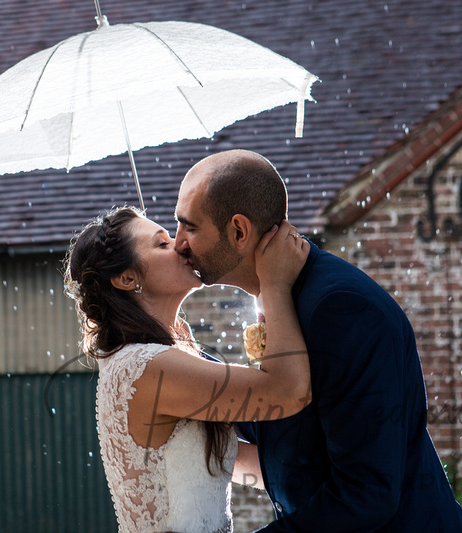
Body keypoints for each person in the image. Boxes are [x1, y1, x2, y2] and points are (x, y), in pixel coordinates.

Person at [174, 149, 462, 532]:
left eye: (190, 227)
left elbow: (366, 493)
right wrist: (177, 362)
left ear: (238, 232)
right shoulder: (281, 294)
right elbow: (277, 420)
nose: (179, 242)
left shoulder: (340, 309)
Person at [63, 206, 311, 533]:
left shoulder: (154, 358)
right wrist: (273, 284)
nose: (181, 245)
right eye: (162, 244)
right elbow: (288, 391)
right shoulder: (147, 367)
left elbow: (231, 460)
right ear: (127, 278)